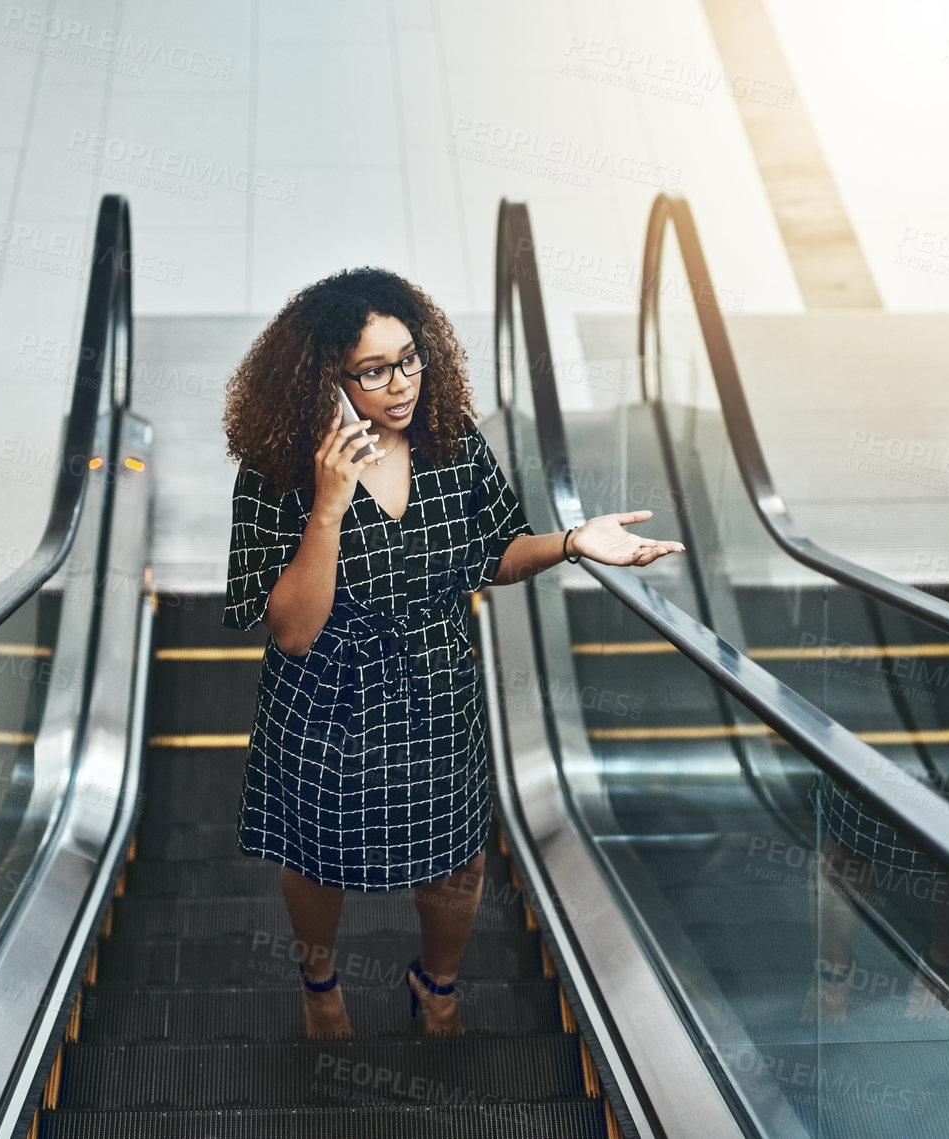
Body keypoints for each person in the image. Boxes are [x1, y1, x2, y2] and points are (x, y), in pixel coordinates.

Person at [221, 267, 683, 1037]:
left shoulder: (448, 436)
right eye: (372, 370)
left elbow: (494, 550)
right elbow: (293, 631)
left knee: (456, 857)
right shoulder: (276, 471)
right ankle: (320, 982)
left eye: (410, 357)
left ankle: (434, 984)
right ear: (322, 380)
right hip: (326, 700)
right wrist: (329, 505)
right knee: (313, 857)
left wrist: (571, 543)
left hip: (436, 684)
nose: (400, 384)